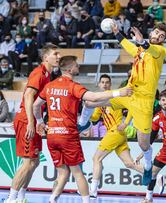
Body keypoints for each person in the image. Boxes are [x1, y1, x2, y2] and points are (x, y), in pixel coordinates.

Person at [79, 22, 166, 186]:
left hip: (144, 102)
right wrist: (116, 32)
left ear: (162, 40)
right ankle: (83, 124)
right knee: (91, 101)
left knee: (143, 144)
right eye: (156, 32)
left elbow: (152, 49)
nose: (158, 36)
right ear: (152, 32)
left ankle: (148, 167)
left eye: (161, 36)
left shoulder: (161, 51)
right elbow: (129, 46)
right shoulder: (140, 50)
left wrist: (142, 42)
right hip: (128, 92)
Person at [32, 56, 132, 203]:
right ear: (69, 69)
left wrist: (40, 121)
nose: (78, 66)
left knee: (62, 173)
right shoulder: (73, 86)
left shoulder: (49, 86)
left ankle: (52, 200)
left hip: (52, 135)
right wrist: (119, 92)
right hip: (68, 135)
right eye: (76, 65)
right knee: (78, 173)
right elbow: (93, 97)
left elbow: (35, 106)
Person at [4, 44, 60, 203]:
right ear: (45, 58)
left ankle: (21, 197)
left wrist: (39, 121)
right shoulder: (39, 73)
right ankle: (10, 199)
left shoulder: (48, 75)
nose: (58, 57)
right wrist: (30, 122)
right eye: (55, 54)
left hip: (34, 120)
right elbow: (28, 96)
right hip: (26, 119)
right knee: (28, 162)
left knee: (34, 162)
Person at [79, 74, 145, 198]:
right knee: (129, 163)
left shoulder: (116, 97)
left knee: (96, 158)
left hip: (115, 131)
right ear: (99, 84)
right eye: (102, 82)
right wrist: (84, 110)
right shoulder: (100, 101)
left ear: (110, 84)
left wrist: (126, 123)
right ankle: (154, 176)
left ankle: (93, 190)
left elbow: (132, 107)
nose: (104, 84)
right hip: (117, 135)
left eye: (107, 82)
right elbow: (94, 117)